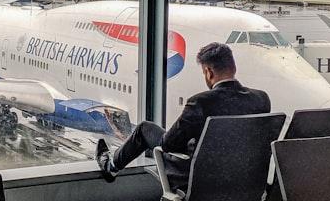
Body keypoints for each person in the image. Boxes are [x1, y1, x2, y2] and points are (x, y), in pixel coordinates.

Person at [96, 42, 271, 184]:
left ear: (208, 72)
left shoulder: (200, 102)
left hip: (202, 180)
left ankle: (111, 167)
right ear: (233, 68)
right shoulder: (261, 98)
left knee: (144, 129)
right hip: (245, 180)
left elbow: (169, 144)